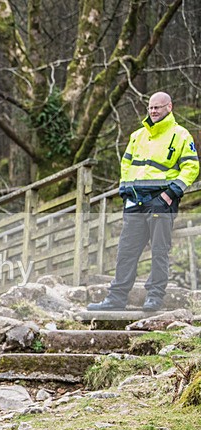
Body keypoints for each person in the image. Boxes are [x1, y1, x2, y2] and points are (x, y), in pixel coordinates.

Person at [88, 92, 198, 312]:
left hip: (161, 201)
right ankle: (116, 298)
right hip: (135, 203)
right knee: (126, 251)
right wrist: (125, 192)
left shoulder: (181, 135)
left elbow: (191, 167)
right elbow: (127, 165)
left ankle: (155, 298)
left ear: (169, 107)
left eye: (158, 107)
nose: (153, 111)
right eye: (150, 108)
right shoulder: (138, 135)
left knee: (159, 251)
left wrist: (170, 194)